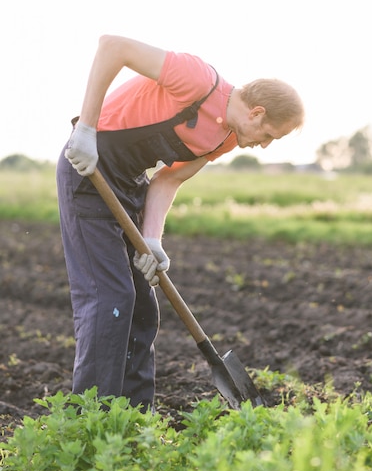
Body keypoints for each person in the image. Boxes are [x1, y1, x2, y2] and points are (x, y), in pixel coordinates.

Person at [56, 34, 304, 411]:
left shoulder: (225, 139)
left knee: (142, 306)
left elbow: (168, 178)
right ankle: (92, 417)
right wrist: (86, 129)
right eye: (269, 135)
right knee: (111, 298)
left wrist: (153, 240)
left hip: (129, 186)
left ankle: (137, 418)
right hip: (88, 169)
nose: (265, 145)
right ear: (257, 113)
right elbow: (112, 47)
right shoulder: (197, 79)